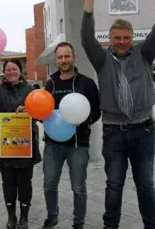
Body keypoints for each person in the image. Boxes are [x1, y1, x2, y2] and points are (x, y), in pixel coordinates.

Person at [80, 0, 155, 229]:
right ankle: (111, 226)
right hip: (114, 134)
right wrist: (88, 6)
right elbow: (86, 39)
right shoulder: (102, 60)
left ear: (133, 39)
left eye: (126, 38)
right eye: (117, 38)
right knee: (114, 186)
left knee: (146, 185)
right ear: (110, 39)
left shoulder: (144, 53)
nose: (122, 42)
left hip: (143, 131)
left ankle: (152, 226)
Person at [41, 42, 101, 229]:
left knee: (78, 188)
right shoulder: (50, 83)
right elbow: (43, 109)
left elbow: (96, 112)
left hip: (78, 144)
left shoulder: (87, 83)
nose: (64, 60)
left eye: (67, 56)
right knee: (49, 184)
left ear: (74, 57)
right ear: (56, 59)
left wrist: (82, 120)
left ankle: (78, 223)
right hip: (53, 144)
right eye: (60, 57)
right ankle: (52, 217)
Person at [0, 58, 41, 229]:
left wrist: (28, 111)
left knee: (24, 182)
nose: (11, 72)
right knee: (8, 182)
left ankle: (24, 216)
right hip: (5, 145)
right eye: (8, 70)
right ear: (4, 72)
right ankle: (11, 216)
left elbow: (38, 114)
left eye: (14, 69)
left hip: (25, 144)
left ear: (20, 71)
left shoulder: (29, 89)